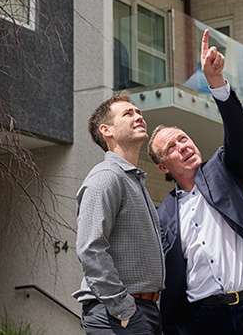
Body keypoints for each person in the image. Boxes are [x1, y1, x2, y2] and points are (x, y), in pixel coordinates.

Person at [150, 29, 243, 335]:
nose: (183, 146)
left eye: (184, 138)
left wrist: (216, 83)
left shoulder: (225, 170)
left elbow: (239, 133)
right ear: (163, 165)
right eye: (172, 147)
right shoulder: (163, 213)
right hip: (205, 319)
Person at [74, 91, 164, 334]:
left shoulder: (133, 180)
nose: (138, 116)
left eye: (138, 112)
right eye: (128, 113)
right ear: (107, 131)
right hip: (116, 313)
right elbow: (90, 249)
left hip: (144, 309)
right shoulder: (107, 177)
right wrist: (122, 308)